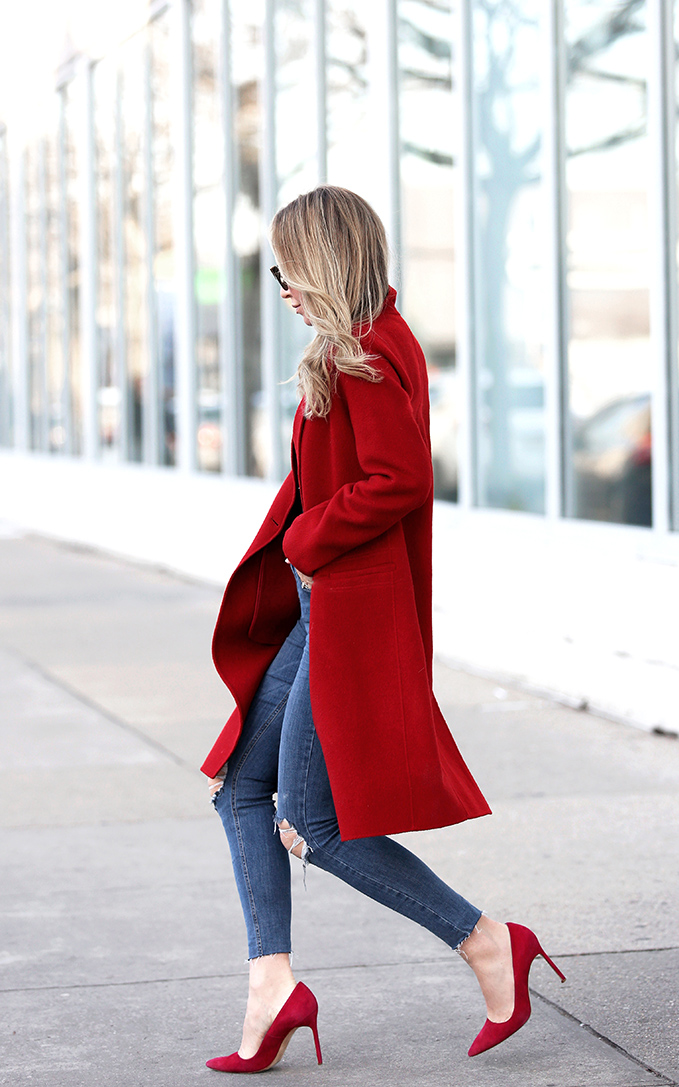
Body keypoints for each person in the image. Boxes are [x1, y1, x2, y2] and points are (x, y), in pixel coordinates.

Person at [202, 186, 565, 1074]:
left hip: (347, 606)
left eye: (290, 268)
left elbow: (400, 478)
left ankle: (486, 940)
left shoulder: (368, 351)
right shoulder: (354, 345)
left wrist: (305, 538)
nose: (282, 285)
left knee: (315, 826)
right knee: (240, 788)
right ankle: (272, 984)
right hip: (325, 600)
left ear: (326, 260)